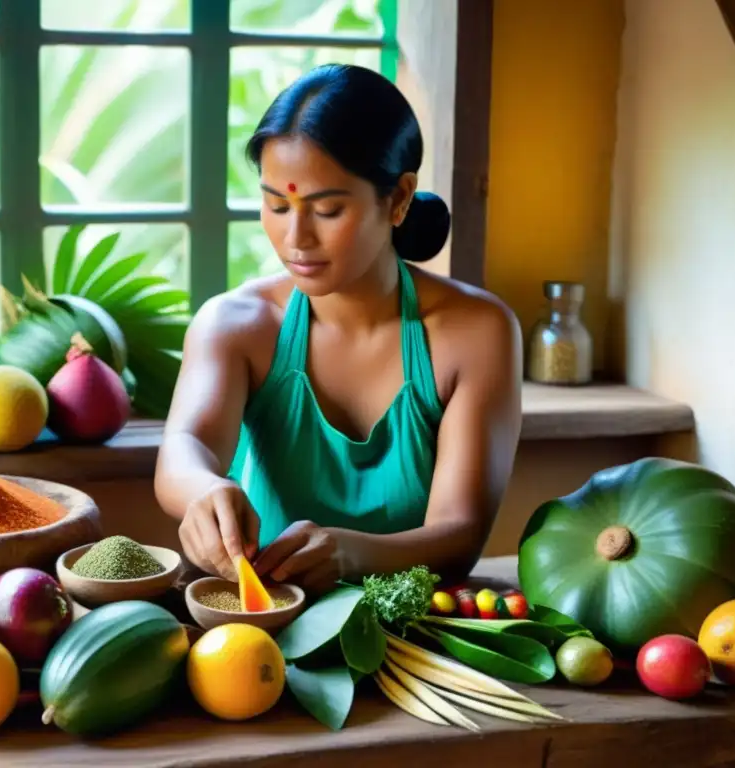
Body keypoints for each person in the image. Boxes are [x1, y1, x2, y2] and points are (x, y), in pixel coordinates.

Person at [154, 63, 522, 596]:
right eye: (277, 205)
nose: (295, 237)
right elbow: (184, 447)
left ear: (398, 198)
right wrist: (203, 490)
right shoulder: (237, 324)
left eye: (326, 209)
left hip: (420, 639)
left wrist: (350, 555)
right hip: (266, 630)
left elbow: (458, 535)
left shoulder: (475, 333)